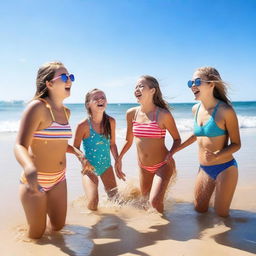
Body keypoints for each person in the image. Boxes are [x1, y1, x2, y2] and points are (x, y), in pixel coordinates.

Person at [14, 61, 85, 239]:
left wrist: (78, 153)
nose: (69, 80)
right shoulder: (37, 107)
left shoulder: (66, 112)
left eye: (71, 77)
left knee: (58, 227)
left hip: (59, 179)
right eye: (63, 77)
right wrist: (29, 167)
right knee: (36, 235)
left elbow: (58, 143)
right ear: (49, 83)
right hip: (35, 180)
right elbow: (20, 145)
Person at [176, 67, 241, 217]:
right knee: (200, 210)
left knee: (221, 215)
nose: (193, 85)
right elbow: (197, 134)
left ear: (212, 84)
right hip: (204, 168)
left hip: (225, 168)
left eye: (197, 81)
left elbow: (237, 144)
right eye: (191, 82)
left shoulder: (226, 111)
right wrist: (174, 150)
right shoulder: (195, 109)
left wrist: (218, 155)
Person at [115, 75, 181, 213]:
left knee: (155, 202)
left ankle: (164, 231)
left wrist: (171, 154)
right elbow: (129, 140)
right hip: (144, 167)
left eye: (141, 86)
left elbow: (177, 139)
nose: (137, 89)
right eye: (136, 87)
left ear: (152, 91)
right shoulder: (131, 113)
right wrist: (118, 159)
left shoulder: (163, 115)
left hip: (163, 165)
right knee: (145, 202)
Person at [73, 89, 119, 211]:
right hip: (89, 168)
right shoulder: (83, 125)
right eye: (96, 98)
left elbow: (112, 144)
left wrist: (118, 162)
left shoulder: (111, 122)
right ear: (88, 104)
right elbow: (75, 148)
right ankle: (92, 226)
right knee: (93, 202)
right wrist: (83, 160)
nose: (100, 100)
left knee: (116, 200)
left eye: (103, 97)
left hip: (106, 166)